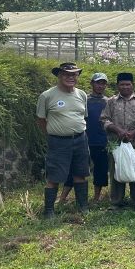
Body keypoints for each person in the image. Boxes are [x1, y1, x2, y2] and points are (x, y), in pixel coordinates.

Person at [36, 62, 91, 218]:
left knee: (80, 174)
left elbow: (82, 116)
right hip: (58, 141)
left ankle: (83, 207)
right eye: (67, 74)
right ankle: (49, 211)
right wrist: (52, 134)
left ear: (77, 76)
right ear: (59, 76)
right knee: (54, 176)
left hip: (80, 139)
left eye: (74, 74)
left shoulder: (82, 95)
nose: (70, 77)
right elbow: (41, 120)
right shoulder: (47, 96)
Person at [101, 72, 135, 208]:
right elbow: (104, 119)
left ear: (132, 85)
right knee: (116, 170)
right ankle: (116, 201)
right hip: (115, 143)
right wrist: (118, 130)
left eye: (128, 84)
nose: (125, 87)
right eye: (122, 84)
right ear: (117, 86)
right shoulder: (111, 102)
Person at [85, 72, 109, 203]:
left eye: (103, 83)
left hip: (102, 141)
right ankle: (78, 195)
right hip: (85, 139)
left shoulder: (108, 102)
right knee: (80, 169)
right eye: (98, 83)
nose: (100, 86)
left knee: (100, 169)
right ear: (92, 84)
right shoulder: (85, 100)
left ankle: (96, 196)